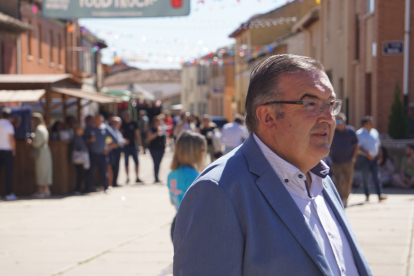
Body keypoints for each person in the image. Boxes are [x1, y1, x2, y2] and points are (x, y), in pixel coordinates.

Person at [173, 54, 372, 275]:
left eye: (330, 104)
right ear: (268, 117)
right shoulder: (218, 191)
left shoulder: (320, 178)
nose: (328, 117)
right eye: (311, 104)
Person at [167, 131, 206, 241]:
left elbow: (172, 201)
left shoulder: (172, 174)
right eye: (202, 150)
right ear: (194, 152)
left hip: (177, 223)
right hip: (192, 225)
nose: (204, 153)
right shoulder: (194, 176)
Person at [329, 113, 358, 207]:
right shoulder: (332, 132)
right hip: (335, 161)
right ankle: (339, 198)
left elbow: (356, 145)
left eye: (340, 121)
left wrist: (353, 157)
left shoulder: (351, 132)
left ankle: (345, 198)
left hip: (348, 161)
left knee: (347, 180)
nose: (338, 123)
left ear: (344, 121)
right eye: (336, 121)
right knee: (337, 181)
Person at [84, 114, 118, 194]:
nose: (97, 121)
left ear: (102, 120)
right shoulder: (90, 129)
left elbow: (115, 140)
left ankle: (106, 187)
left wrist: (109, 147)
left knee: (104, 172)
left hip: (103, 154)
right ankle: (88, 188)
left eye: (99, 119)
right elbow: (84, 140)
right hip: (92, 154)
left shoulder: (106, 128)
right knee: (90, 172)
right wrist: (90, 140)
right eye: (96, 119)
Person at [356, 116, 388, 202]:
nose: (372, 124)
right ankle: (367, 195)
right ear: (365, 124)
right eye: (370, 122)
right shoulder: (359, 133)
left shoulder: (375, 132)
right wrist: (367, 154)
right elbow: (358, 147)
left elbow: (378, 145)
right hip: (364, 158)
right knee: (365, 177)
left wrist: (380, 155)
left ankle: (380, 194)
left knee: (377, 176)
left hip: (374, 158)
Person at [28, 113, 53, 199]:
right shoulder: (43, 128)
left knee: (41, 170)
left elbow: (37, 143)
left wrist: (31, 143)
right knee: (45, 169)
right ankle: (46, 190)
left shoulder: (39, 129)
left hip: (41, 151)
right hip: (45, 150)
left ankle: (42, 191)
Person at [0, 108, 18, 201]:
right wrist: (13, 149)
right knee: (8, 174)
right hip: (7, 151)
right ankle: (8, 194)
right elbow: (11, 139)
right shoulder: (8, 125)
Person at [121, 111, 142, 183]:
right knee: (126, 162)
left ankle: (137, 177)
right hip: (125, 146)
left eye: (128, 114)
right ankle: (127, 177)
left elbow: (137, 134)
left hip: (133, 145)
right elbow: (120, 134)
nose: (127, 116)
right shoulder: (122, 124)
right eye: (126, 114)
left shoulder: (134, 123)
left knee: (136, 162)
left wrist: (140, 144)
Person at [147, 116, 167, 183]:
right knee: (156, 162)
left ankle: (157, 176)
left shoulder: (162, 128)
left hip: (161, 148)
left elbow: (166, 137)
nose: (158, 122)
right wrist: (157, 133)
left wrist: (167, 143)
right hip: (154, 148)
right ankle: (156, 177)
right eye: (157, 121)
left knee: (159, 163)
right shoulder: (151, 129)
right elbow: (149, 138)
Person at [109, 116, 127, 187]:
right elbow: (113, 140)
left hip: (117, 150)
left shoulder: (117, 130)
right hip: (112, 150)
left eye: (120, 122)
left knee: (117, 166)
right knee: (113, 166)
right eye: (117, 122)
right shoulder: (111, 129)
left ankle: (114, 181)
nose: (119, 124)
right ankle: (112, 182)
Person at [72, 124, 89, 194]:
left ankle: (79, 188)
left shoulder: (80, 137)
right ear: (77, 130)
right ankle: (77, 189)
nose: (82, 131)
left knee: (81, 174)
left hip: (81, 159)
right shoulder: (76, 138)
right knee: (80, 174)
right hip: (79, 159)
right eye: (81, 129)